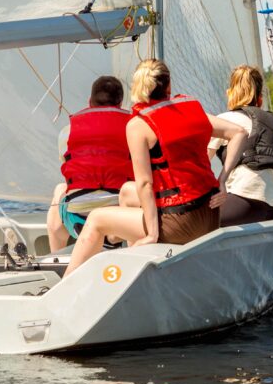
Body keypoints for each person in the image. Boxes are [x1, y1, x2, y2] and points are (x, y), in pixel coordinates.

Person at [64, 59, 245, 277]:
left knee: (96, 219)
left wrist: (152, 233)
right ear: (168, 86)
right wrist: (222, 180)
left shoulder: (139, 125)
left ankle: (63, 289)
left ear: (138, 87)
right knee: (127, 192)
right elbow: (239, 132)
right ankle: (135, 267)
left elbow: (146, 183)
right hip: (209, 214)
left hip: (179, 222)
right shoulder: (192, 109)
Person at [45, 76, 133, 252]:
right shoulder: (133, 126)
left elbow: (68, 165)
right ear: (120, 103)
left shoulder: (67, 131)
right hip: (120, 212)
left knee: (60, 190)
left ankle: (57, 256)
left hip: (79, 215)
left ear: (89, 101)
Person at [208, 66, 273, 227]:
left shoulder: (226, 120)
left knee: (187, 221)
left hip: (243, 205)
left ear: (229, 93)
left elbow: (200, 163)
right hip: (271, 209)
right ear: (260, 98)